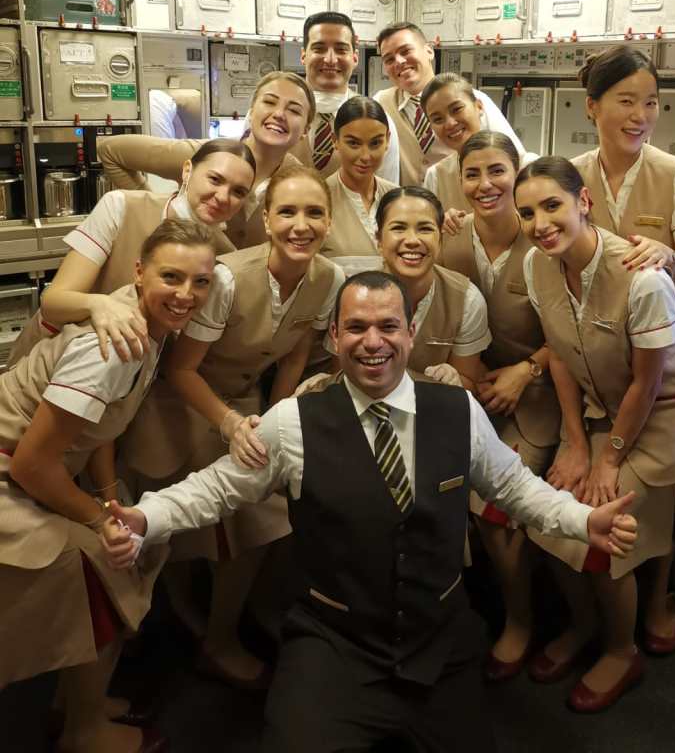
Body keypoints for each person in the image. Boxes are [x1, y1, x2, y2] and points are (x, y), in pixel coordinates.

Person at [102, 270, 637, 753]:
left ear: (410, 334)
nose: (373, 341)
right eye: (357, 327)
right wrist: (146, 519)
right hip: (334, 644)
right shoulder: (293, 421)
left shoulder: (458, 410)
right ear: (334, 337)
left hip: (438, 639)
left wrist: (583, 521)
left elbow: (514, 486)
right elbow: (216, 488)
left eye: (388, 326)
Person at [121, 164, 344, 688]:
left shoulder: (328, 278)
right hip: (184, 403)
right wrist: (230, 423)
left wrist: (278, 418)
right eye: (286, 212)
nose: (301, 225)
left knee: (260, 518)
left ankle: (220, 628)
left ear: (330, 221)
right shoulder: (225, 279)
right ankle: (195, 628)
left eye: (314, 213)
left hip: (244, 403)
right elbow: (180, 370)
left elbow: (295, 353)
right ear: (266, 220)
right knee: (192, 526)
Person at [0, 218, 216, 753]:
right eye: (171, 277)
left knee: (131, 550)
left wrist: (108, 496)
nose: (186, 294)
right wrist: (99, 520)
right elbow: (32, 466)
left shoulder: (148, 328)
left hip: (27, 469)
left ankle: (77, 702)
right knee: (104, 566)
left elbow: (98, 427)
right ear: (139, 272)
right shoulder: (114, 347)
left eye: (201, 282)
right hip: (11, 475)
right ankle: (84, 728)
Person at [514, 157, 675, 712]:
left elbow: (648, 383)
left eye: (552, 205)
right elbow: (559, 354)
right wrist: (577, 443)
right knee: (548, 515)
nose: (540, 224)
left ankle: (621, 651)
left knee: (599, 529)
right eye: (527, 213)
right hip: (606, 412)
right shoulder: (537, 266)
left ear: (584, 203)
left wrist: (607, 460)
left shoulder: (642, 278)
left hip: (668, 414)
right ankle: (585, 625)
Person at [572, 45, 675, 652]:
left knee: (661, 493)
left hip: (671, 356)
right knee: (613, 491)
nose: (641, 116)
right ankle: (606, 619)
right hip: (604, 359)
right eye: (626, 101)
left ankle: (657, 604)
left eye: (651, 103)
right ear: (593, 107)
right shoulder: (573, 175)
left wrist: (669, 259)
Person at [440, 132, 561, 680]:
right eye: (472, 173)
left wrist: (527, 369)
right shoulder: (451, 238)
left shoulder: (543, 243)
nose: (484, 184)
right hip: (471, 392)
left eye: (497, 171)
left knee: (496, 510)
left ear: (517, 173)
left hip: (538, 395)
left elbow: (573, 331)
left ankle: (520, 621)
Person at [6, 139, 256, 368]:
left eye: (238, 192)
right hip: (55, 362)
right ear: (187, 171)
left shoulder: (224, 259)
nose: (223, 197)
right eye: (215, 179)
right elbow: (53, 303)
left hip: (130, 374)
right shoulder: (122, 207)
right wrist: (99, 304)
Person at [97, 71, 315, 249]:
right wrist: (161, 213)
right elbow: (110, 151)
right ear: (251, 112)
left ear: (305, 130)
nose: (279, 114)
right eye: (269, 102)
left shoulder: (300, 183)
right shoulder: (207, 155)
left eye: (294, 110)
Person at [374, 22, 526, 185]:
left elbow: (517, 159)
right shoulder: (381, 104)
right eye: (389, 59)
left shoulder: (471, 99)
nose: (398, 61)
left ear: (429, 51)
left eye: (405, 51)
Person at [375, 186, 491, 391]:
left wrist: (455, 380)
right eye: (398, 228)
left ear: (440, 239)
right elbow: (342, 375)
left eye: (425, 229)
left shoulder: (466, 299)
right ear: (379, 240)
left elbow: (469, 381)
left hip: (435, 404)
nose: (412, 240)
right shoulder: (354, 295)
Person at [290, 11, 400, 182]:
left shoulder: (379, 120)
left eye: (341, 50)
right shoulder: (271, 116)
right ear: (303, 56)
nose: (330, 59)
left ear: (355, 58)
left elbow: (387, 190)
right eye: (319, 49)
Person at [320, 96, 398, 276]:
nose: (365, 156)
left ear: (387, 140)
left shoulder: (398, 198)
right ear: (335, 140)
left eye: (375, 143)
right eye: (353, 143)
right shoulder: (318, 199)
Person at [421, 73, 485, 215]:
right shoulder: (436, 176)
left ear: (479, 107)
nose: (450, 123)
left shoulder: (522, 164)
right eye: (438, 119)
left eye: (456, 109)